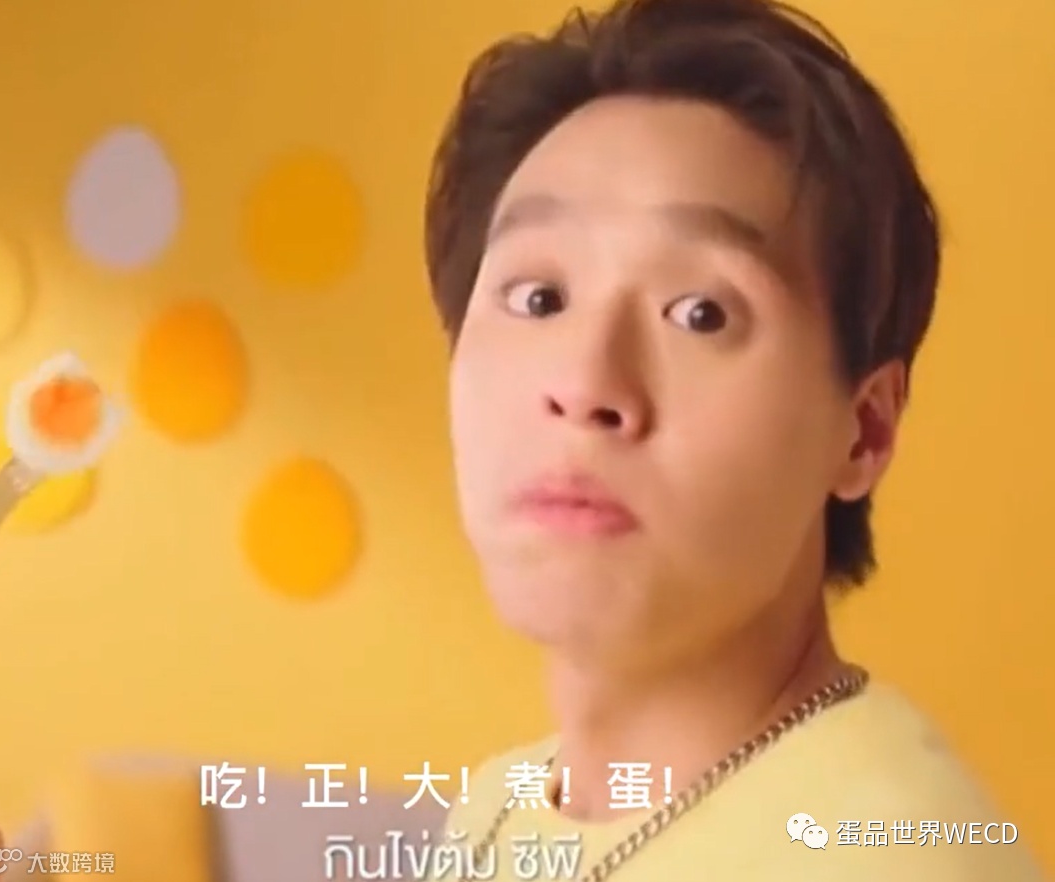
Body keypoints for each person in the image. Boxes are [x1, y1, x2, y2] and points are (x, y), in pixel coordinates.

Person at [424, 0, 1046, 879]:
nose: (586, 384)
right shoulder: (499, 804)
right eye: (539, 299)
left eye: (701, 314)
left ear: (864, 430)